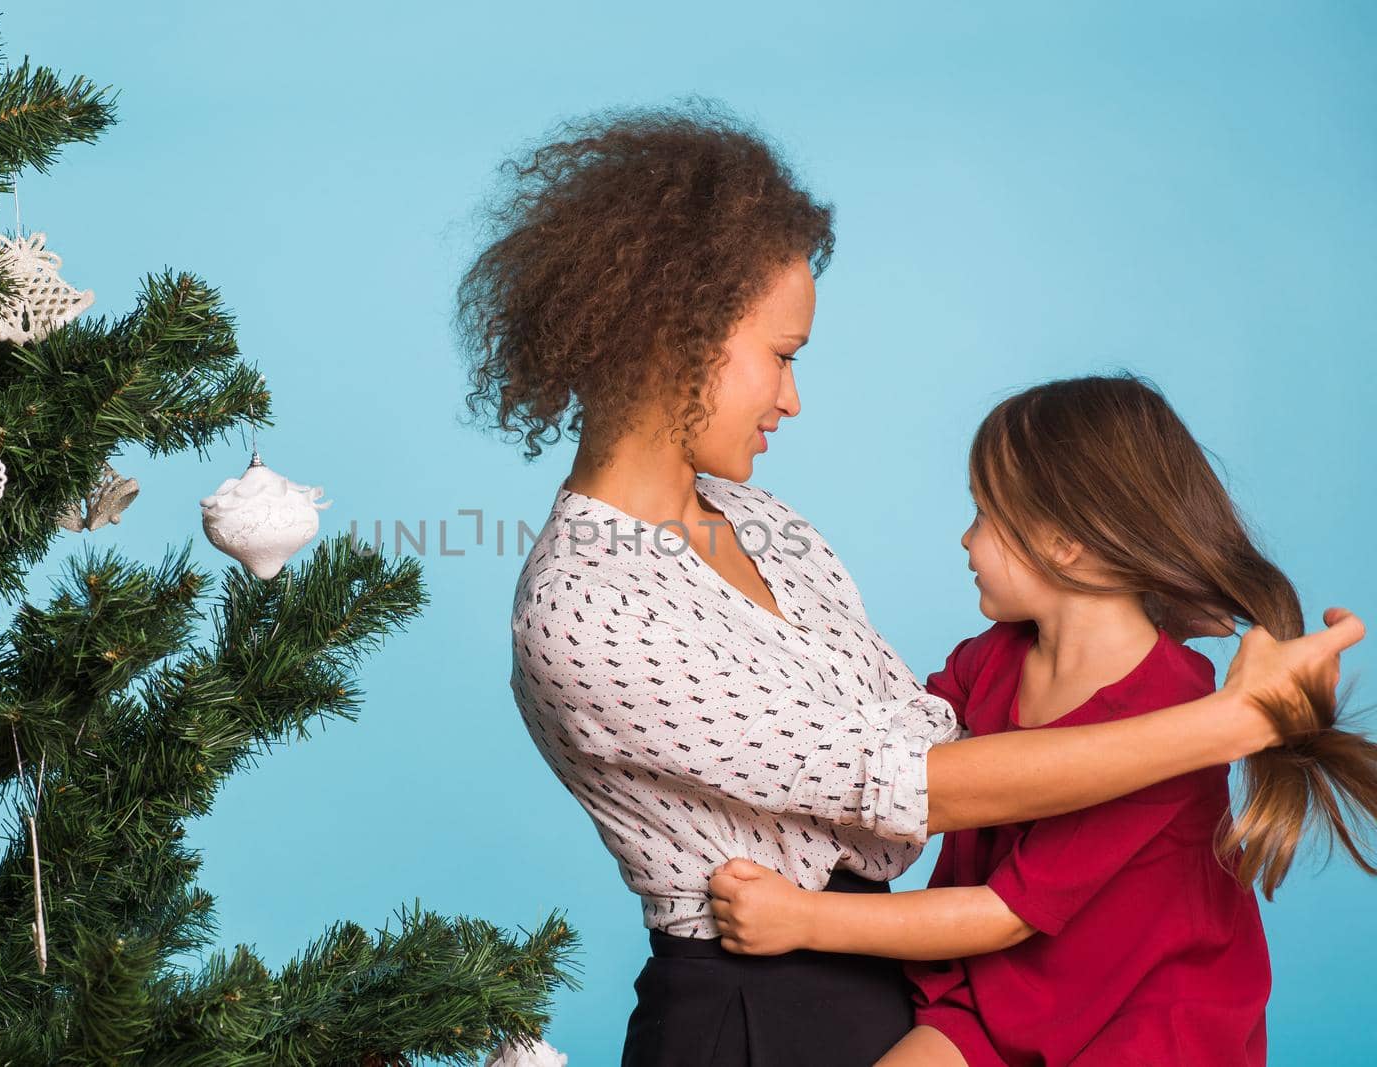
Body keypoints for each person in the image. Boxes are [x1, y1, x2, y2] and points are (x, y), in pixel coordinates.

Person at [457, 101, 1365, 1066]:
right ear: (670, 335)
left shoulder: (767, 523)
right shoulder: (581, 605)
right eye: (782, 356)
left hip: (894, 974)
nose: (792, 399)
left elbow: (928, 734)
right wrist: (1233, 724)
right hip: (749, 1007)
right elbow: (907, 782)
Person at [706, 375, 1377, 1066]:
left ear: (1062, 540)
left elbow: (1003, 913)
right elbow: (894, 753)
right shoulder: (991, 659)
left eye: (983, 513)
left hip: (1143, 1023)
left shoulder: (1169, 717)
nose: (965, 538)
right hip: (1003, 994)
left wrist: (803, 919)